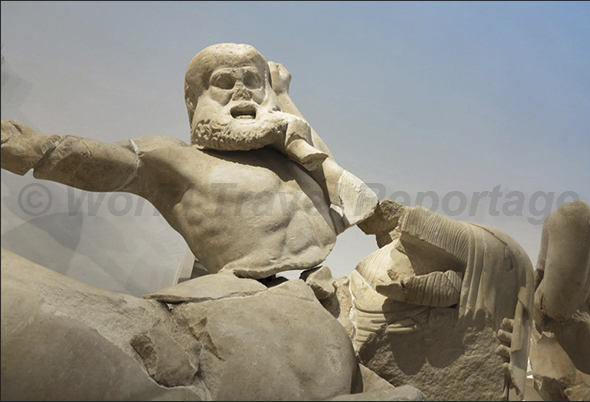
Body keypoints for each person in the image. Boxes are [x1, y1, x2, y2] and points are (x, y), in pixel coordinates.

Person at [0, 43, 378, 280]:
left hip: (313, 284)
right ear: (194, 102)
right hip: (244, 295)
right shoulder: (173, 157)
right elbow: (97, 158)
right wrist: (26, 144)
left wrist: (282, 97)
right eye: (225, 81)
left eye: (252, 80)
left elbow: (340, 185)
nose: (242, 90)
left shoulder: (289, 158)